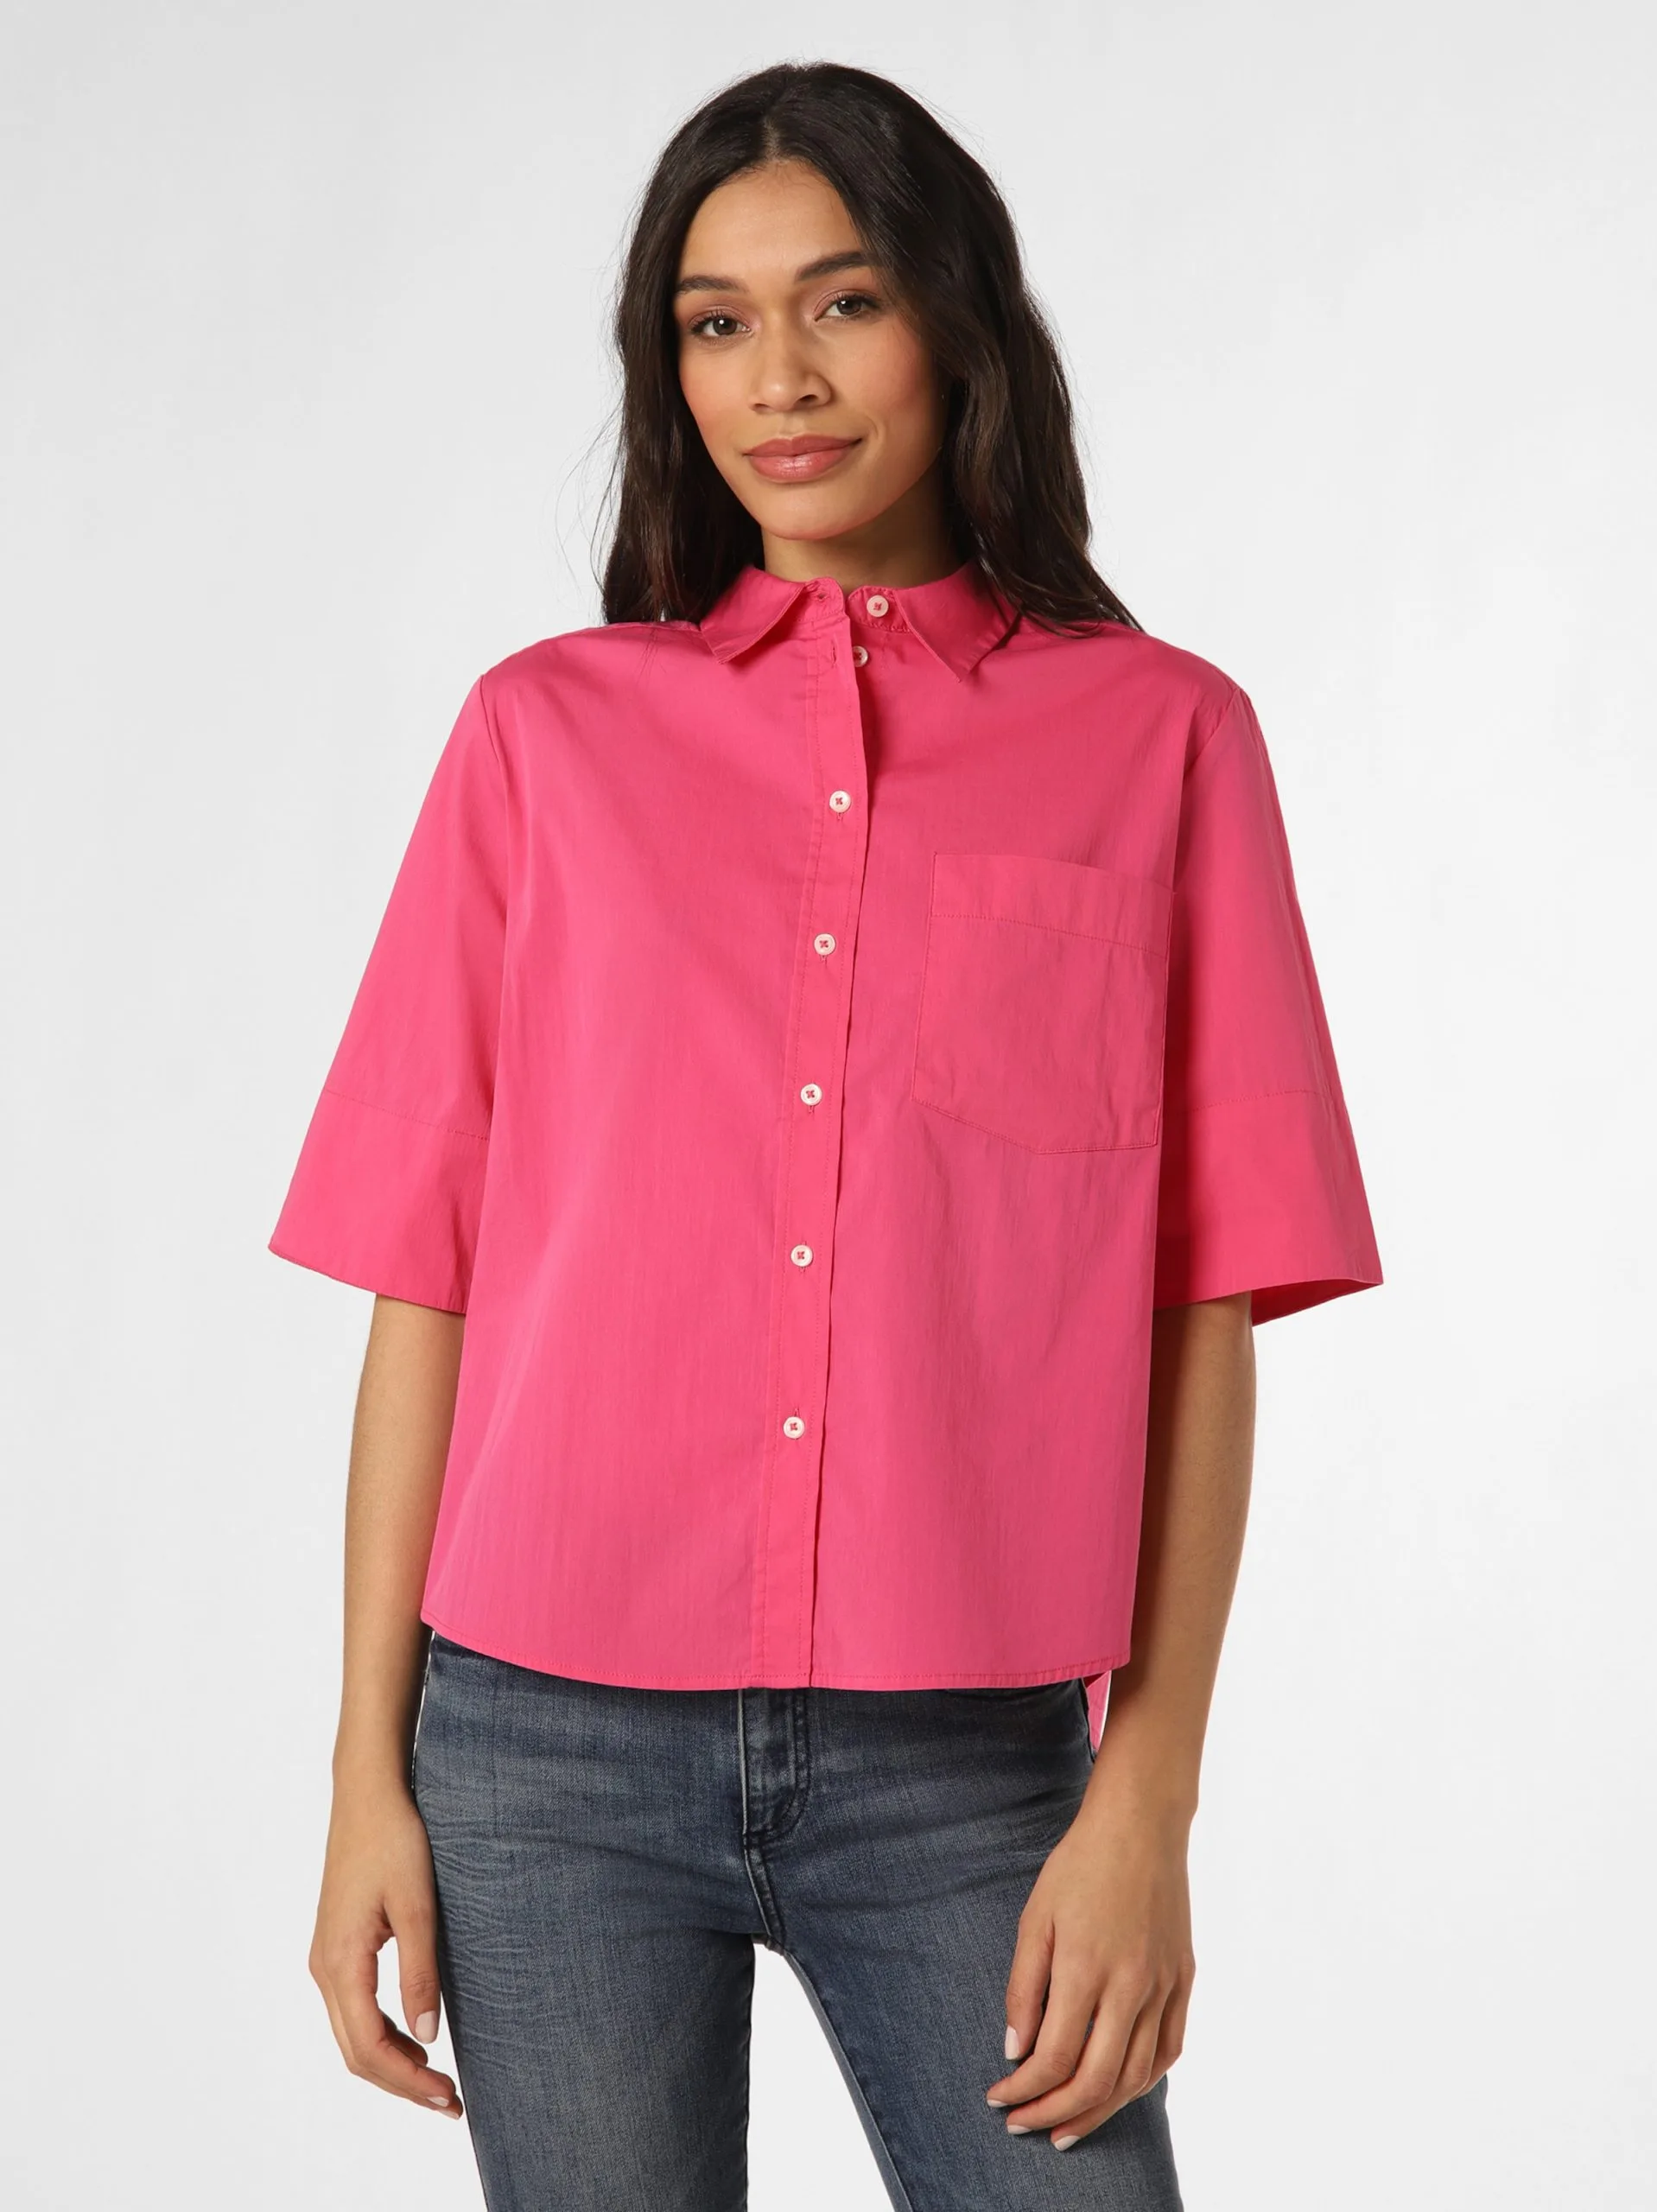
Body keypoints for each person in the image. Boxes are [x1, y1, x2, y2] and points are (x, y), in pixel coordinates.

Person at [270, 59, 1381, 2212]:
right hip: (540, 1747)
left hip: (967, 1758)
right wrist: (361, 1773)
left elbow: (1199, 1313)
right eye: (715, 321)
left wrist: (1145, 1792)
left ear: (953, 322)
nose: (775, 376)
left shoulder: (1160, 742)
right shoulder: (540, 738)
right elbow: (429, 1286)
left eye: (840, 301)